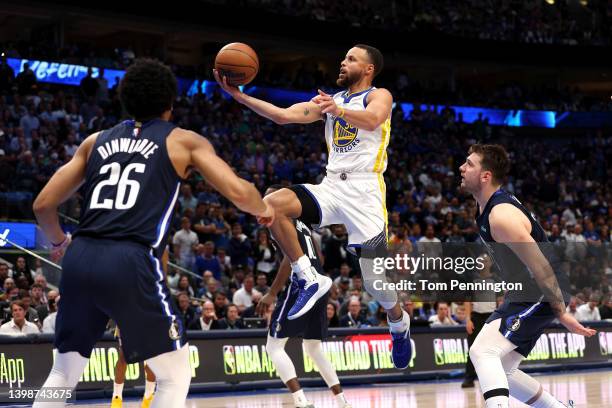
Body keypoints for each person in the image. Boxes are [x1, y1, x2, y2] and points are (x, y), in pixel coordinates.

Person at [31, 58, 274, 407]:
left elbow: (42, 205)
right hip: (131, 259)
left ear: (125, 101)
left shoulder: (95, 141)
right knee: (174, 374)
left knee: (64, 369)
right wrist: (264, 208)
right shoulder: (184, 142)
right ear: (170, 104)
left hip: (81, 255)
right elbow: (239, 193)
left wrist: (59, 242)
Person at [215, 44, 411, 369]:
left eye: (351, 58)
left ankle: (397, 322)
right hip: (332, 184)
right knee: (272, 206)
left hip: (365, 190)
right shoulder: (330, 102)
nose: (342, 61)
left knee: (376, 283)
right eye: (343, 56)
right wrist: (239, 96)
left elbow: (375, 119)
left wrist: (337, 110)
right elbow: (282, 115)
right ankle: (307, 276)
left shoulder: (379, 95)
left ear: (368, 69)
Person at [459, 144, 595, 408]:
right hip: (527, 290)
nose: (461, 168)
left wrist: (560, 312)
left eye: (469, 164)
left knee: (482, 351)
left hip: (543, 289)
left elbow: (542, 268)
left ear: (486, 176)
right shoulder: (487, 207)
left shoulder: (501, 216)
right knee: (503, 369)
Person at [257, 186, 351, 408]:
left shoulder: (277, 218)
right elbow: (319, 256)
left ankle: (300, 401)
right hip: (320, 280)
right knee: (313, 347)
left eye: (270, 196)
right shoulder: (304, 223)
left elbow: (287, 261)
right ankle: (341, 400)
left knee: (274, 347)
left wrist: (271, 293)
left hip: (304, 285)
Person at [111, 328, 156, 408]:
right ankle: (116, 398)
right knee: (123, 357)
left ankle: (148, 397)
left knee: (151, 358)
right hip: (127, 319)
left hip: (148, 319)